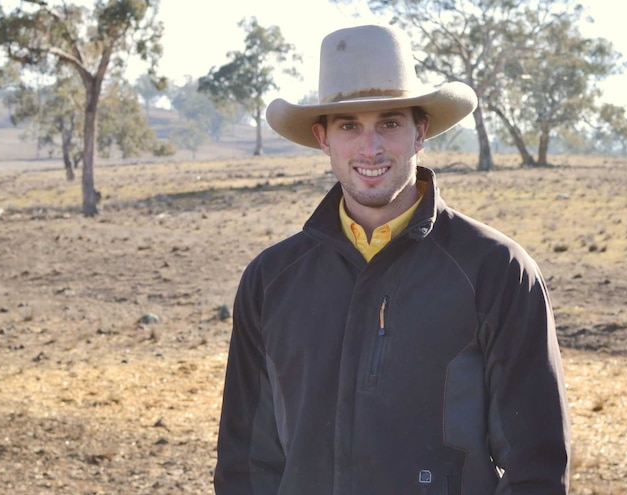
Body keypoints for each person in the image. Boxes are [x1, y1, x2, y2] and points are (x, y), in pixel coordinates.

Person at [214, 24, 571, 494]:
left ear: (420, 131)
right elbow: (244, 463)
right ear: (322, 138)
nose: (371, 148)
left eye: (389, 123)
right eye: (349, 126)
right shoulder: (272, 279)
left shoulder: (496, 270)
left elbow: (536, 467)